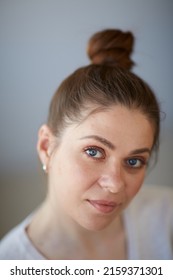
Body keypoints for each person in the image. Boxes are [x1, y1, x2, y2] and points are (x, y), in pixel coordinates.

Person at [0, 29, 172, 260]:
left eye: (134, 161)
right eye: (94, 152)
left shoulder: (166, 219)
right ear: (46, 147)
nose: (114, 185)